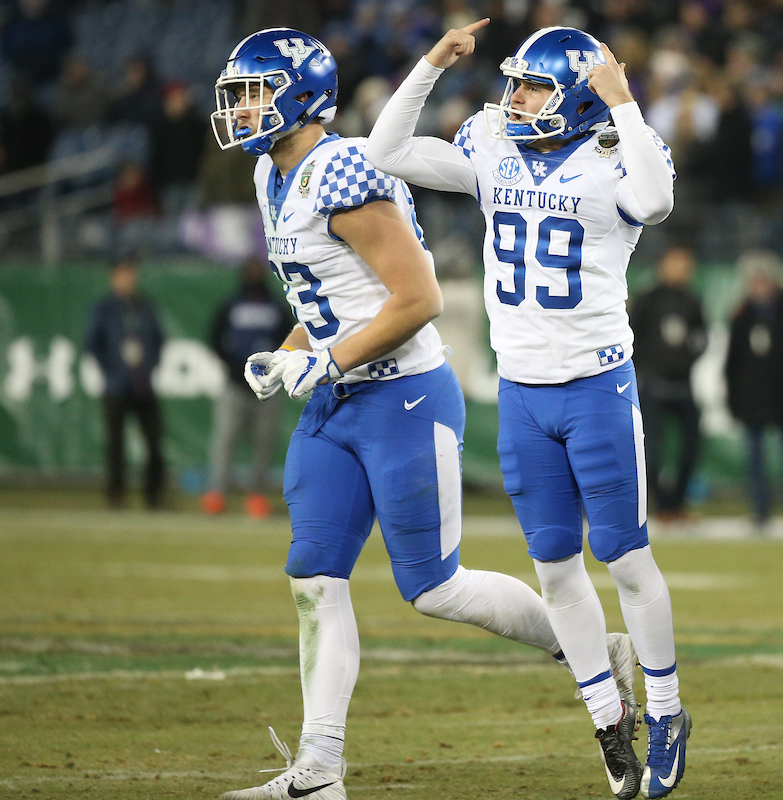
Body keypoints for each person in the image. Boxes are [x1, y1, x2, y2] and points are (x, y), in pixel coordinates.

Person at [210, 29, 631, 800]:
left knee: (434, 587)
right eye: (235, 93)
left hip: (401, 395)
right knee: (313, 579)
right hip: (338, 400)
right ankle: (319, 770)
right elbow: (334, 295)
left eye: (253, 91)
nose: (239, 108)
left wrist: (326, 358)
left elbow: (419, 297)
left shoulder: (340, 167)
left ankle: (589, 652)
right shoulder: (278, 175)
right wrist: (294, 347)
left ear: (300, 93)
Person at [367, 21, 689, 800]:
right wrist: (430, 66)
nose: (514, 98)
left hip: (596, 386)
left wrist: (624, 106)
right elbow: (385, 153)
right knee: (553, 564)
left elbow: (656, 199)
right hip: (521, 390)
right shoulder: (492, 144)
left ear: (577, 94)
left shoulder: (619, 150)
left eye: (534, 85)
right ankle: (608, 717)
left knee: (625, 555)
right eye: (513, 82)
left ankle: (669, 709)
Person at [201, 257, 296, 518]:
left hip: (266, 387)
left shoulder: (275, 306)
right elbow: (214, 337)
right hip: (234, 385)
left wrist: (274, 368)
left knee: (263, 443)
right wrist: (232, 367)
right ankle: (216, 493)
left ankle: (256, 496)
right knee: (225, 440)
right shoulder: (231, 304)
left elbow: (288, 339)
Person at [723, 251, 783, 530]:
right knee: (756, 458)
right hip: (752, 398)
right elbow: (732, 362)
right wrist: (733, 398)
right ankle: (760, 511)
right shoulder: (741, 316)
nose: (759, 287)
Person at [630, 246, 708, 522]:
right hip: (652, 385)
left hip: (682, 384)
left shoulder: (691, 300)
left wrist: (685, 359)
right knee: (653, 449)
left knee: (692, 444)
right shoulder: (647, 299)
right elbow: (631, 337)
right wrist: (648, 367)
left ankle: (677, 503)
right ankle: (661, 505)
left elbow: (701, 338)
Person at [83, 256, 167, 509]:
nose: (127, 280)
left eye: (130, 275)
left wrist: (149, 366)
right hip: (116, 387)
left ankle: (153, 496)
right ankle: (116, 495)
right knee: (115, 444)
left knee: (153, 442)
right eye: (122, 275)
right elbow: (92, 342)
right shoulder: (105, 307)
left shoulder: (144, 306)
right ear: (113, 278)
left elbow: (159, 338)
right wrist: (111, 369)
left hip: (143, 385)